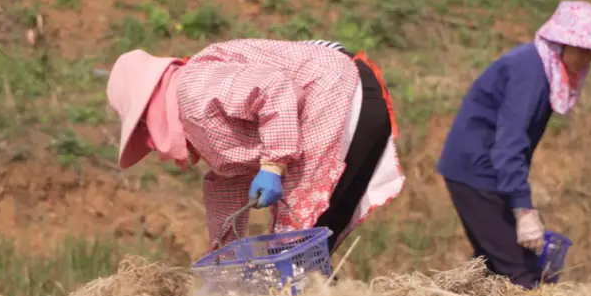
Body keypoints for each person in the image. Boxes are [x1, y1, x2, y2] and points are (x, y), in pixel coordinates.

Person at [105, 38, 405, 257]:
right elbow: (229, 179)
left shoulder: (192, 88)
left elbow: (273, 87)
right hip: (347, 96)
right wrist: (221, 253)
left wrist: (273, 165)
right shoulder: (197, 115)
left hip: (335, 91)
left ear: (148, 114)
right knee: (311, 246)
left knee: (294, 244)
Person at [436, 1, 591, 289]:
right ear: (562, 44)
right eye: (584, 49)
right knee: (520, 274)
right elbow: (509, 147)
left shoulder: (541, 67)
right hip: (477, 172)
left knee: (498, 265)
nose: (590, 57)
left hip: (488, 173)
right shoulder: (530, 73)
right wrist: (523, 211)